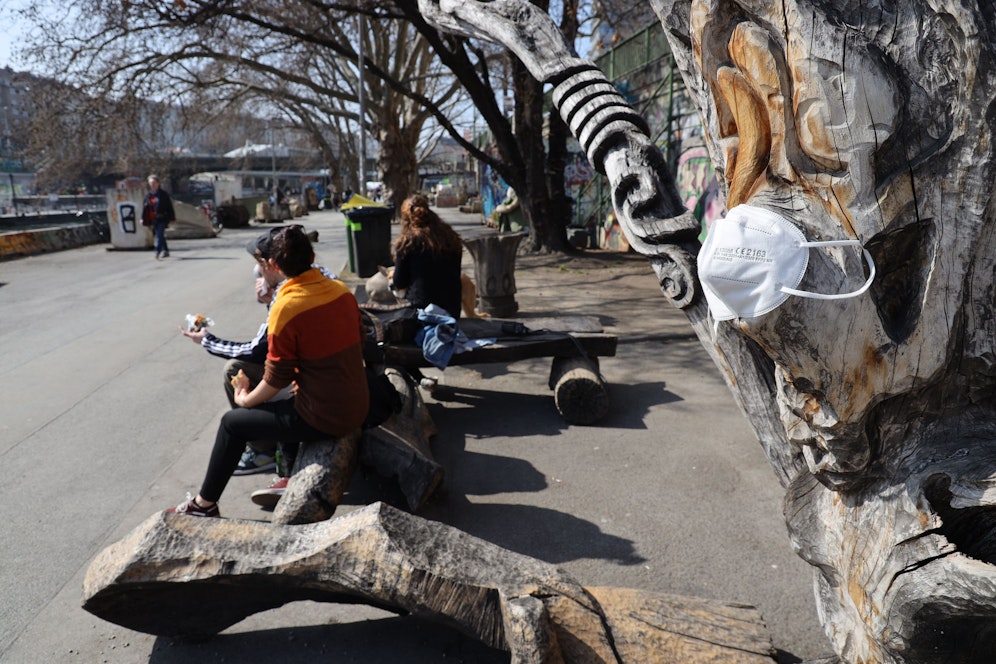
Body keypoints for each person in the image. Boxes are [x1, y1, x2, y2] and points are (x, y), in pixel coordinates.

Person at [169, 225, 368, 517]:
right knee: (282, 401)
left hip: (327, 416)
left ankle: (204, 505)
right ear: (311, 256)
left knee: (232, 424)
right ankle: (285, 469)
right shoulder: (339, 290)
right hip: (357, 403)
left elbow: (277, 377)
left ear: (273, 265)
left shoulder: (286, 305)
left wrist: (244, 398)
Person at [179, 228, 339, 480]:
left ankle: (260, 454)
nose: (257, 271)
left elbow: (264, 355)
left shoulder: (286, 299)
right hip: (340, 389)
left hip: (315, 397)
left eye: (259, 263)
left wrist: (244, 400)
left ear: (272, 264)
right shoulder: (330, 283)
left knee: (233, 396)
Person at [390, 194, 464, 320]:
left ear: (406, 219)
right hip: (452, 309)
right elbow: (456, 272)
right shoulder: (451, 237)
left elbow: (399, 282)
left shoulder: (407, 242)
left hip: (422, 310)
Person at [142, 175, 175, 259]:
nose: (152, 185)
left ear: (158, 183)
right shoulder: (148, 195)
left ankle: (157, 251)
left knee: (159, 235)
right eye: (150, 183)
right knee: (159, 234)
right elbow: (145, 208)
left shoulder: (163, 194)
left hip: (162, 217)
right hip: (153, 218)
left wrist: (172, 218)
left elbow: (169, 206)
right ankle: (166, 250)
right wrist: (142, 218)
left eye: (154, 183)